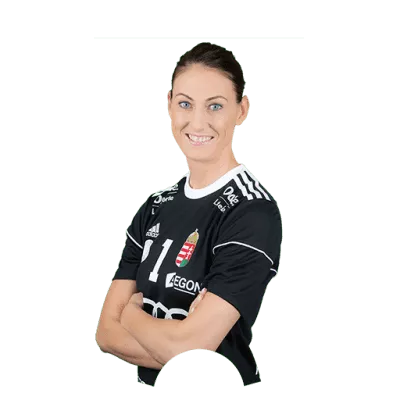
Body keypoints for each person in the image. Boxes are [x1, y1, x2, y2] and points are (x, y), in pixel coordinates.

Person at [96, 42, 282, 386]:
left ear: (241, 110)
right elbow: (106, 333)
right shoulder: (155, 206)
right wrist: (176, 340)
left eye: (215, 106)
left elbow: (190, 355)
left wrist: (132, 315)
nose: (198, 122)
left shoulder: (252, 212)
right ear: (169, 105)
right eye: (185, 104)